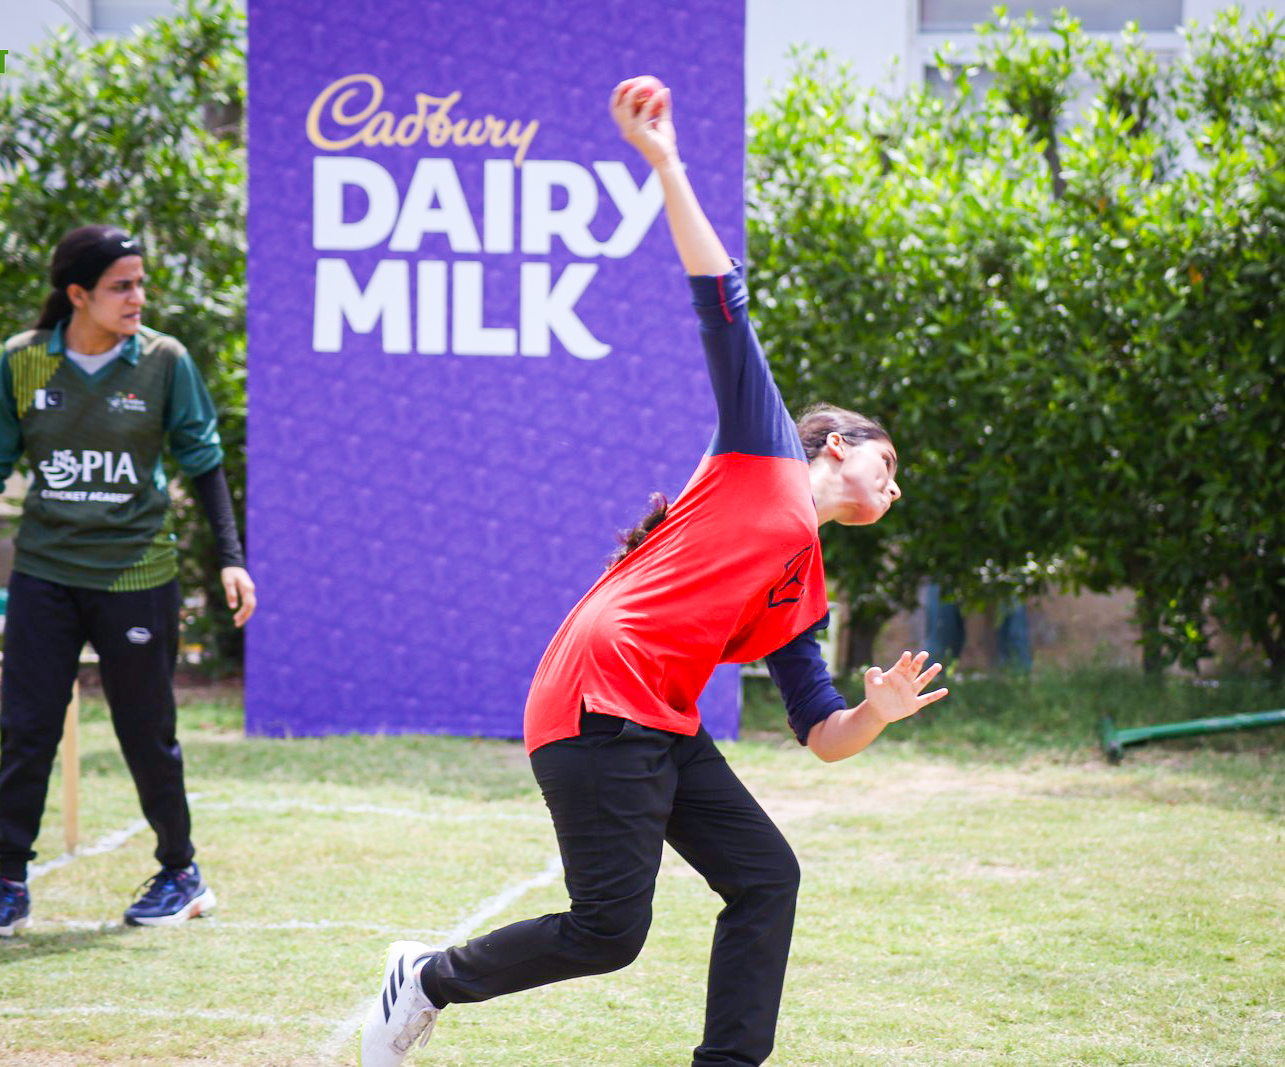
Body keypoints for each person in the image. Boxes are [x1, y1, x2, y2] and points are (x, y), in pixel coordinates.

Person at [355, 76, 949, 1067]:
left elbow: (820, 732)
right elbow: (721, 300)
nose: (894, 487)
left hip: (659, 723)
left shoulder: (804, 585)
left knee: (766, 875)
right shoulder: (761, 446)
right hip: (597, 697)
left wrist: (875, 713)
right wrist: (665, 161)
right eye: (887, 465)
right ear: (838, 447)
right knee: (609, 930)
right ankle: (426, 976)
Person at [0, 224, 257, 937]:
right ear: (78, 294)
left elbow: (202, 460)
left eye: (140, 284)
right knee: (26, 729)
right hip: (45, 572)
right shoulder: (24, 362)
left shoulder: (164, 361)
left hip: (136, 572)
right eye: (121, 286)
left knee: (146, 730)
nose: (138, 297)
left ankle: (181, 872)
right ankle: (8, 882)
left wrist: (231, 556)